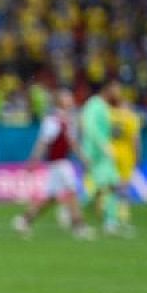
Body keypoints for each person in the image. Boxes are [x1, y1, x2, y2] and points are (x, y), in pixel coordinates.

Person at [13, 89, 93, 239]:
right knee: (72, 192)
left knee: (51, 198)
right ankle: (79, 226)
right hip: (58, 164)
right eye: (66, 98)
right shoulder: (53, 121)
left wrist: (83, 158)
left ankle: (24, 220)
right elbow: (43, 142)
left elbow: (73, 143)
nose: (70, 100)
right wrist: (34, 160)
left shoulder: (69, 120)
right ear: (59, 101)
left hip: (61, 164)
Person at [80, 80, 124, 235]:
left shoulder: (104, 106)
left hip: (103, 153)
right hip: (95, 153)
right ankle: (77, 209)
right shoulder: (94, 105)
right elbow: (89, 127)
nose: (119, 93)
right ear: (108, 89)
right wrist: (103, 145)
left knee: (110, 185)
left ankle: (109, 220)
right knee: (105, 185)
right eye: (117, 89)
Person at [110, 92, 142, 228]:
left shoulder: (111, 115)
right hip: (126, 157)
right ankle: (122, 220)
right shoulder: (132, 118)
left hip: (111, 154)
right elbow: (135, 140)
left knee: (111, 189)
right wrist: (137, 156)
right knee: (123, 189)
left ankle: (110, 219)